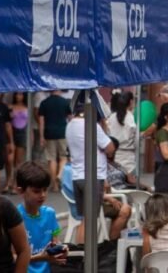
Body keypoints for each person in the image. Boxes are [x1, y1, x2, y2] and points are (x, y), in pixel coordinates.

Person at [65, 99, 115, 243]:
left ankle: (83, 255)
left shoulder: (70, 126)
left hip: (77, 176)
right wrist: (103, 126)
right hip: (93, 176)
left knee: (85, 219)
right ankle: (84, 256)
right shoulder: (91, 125)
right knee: (89, 220)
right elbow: (110, 148)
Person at [15, 161, 68, 273]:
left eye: (45, 190)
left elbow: (55, 240)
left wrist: (60, 249)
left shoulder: (50, 214)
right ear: (21, 191)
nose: (43, 195)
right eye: (36, 191)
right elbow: (12, 258)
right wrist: (40, 257)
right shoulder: (14, 217)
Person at [38, 90, 71, 192]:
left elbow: (41, 121)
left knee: (51, 158)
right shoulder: (65, 102)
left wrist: (41, 136)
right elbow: (70, 118)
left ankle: (54, 185)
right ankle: (60, 174)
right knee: (63, 157)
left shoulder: (44, 103)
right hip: (62, 132)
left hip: (49, 133)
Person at [106, 91, 138, 172]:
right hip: (129, 159)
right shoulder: (132, 119)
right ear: (131, 102)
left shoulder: (111, 118)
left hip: (114, 157)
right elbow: (136, 141)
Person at [7, 92, 30, 192]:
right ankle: (9, 181)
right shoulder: (10, 107)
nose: (18, 96)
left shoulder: (27, 107)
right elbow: (7, 122)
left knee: (19, 160)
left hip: (22, 132)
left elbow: (29, 123)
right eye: (17, 94)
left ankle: (16, 183)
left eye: (21, 94)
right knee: (10, 159)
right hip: (12, 132)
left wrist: (31, 136)